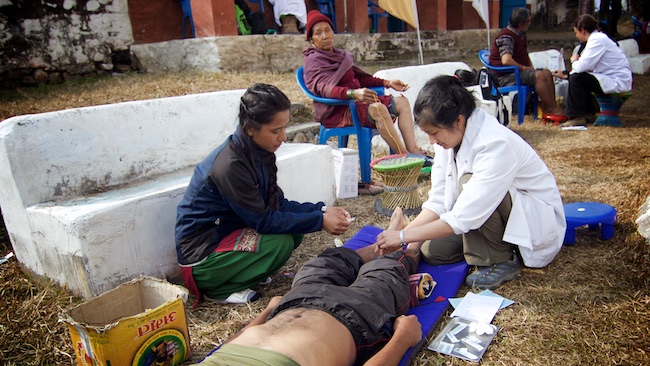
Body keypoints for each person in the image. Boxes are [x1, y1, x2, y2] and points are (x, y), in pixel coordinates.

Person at [374, 75, 566, 290]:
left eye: (434, 133)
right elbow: (438, 200)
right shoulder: (448, 140)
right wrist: (405, 236)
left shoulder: (495, 143)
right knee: (433, 252)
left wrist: (402, 236)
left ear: (458, 120)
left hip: (529, 218)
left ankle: (500, 259)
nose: (430, 141)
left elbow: (466, 214)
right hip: (481, 214)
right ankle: (485, 245)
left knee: (468, 183)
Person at [175, 83, 352, 305]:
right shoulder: (231, 165)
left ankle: (248, 271)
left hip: (228, 236)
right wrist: (319, 219)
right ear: (251, 128)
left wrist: (321, 210)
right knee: (279, 242)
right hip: (204, 259)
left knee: (295, 229)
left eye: (285, 128)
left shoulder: (260, 152)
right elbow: (264, 221)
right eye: (276, 131)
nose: (283, 137)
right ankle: (220, 289)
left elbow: (276, 203)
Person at [198, 215, 424, 366]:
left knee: (322, 263)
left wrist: (267, 311)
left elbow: (223, 351)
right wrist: (403, 338)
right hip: (357, 319)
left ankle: (385, 242)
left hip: (293, 304)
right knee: (386, 272)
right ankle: (416, 238)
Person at [302, 11, 428, 174]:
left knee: (402, 102)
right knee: (379, 109)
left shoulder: (340, 55)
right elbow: (324, 89)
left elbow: (361, 78)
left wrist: (388, 83)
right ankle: (404, 158)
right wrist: (353, 94)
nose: (325, 35)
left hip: (358, 103)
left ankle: (413, 149)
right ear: (311, 40)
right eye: (318, 33)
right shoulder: (314, 61)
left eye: (328, 30)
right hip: (338, 110)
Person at [552, 15, 632, 127]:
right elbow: (587, 67)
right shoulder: (598, 39)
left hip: (616, 80)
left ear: (583, 31)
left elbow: (580, 67)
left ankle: (576, 117)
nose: (576, 35)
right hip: (612, 77)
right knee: (580, 77)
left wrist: (573, 60)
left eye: (576, 32)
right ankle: (588, 113)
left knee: (577, 78)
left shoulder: (597, 40)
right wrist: (566, 75)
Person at [489, 7, 565, 117]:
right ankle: (551, 108)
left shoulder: (521, 35)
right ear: (521, 24)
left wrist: (530, 67)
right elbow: (506, 60)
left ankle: (551, 106)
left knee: (546, 73)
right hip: (505, 76)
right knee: (538, 76)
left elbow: (523, 54)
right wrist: (525, 68)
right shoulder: (507, 36)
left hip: (517, 72)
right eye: (528, 22)